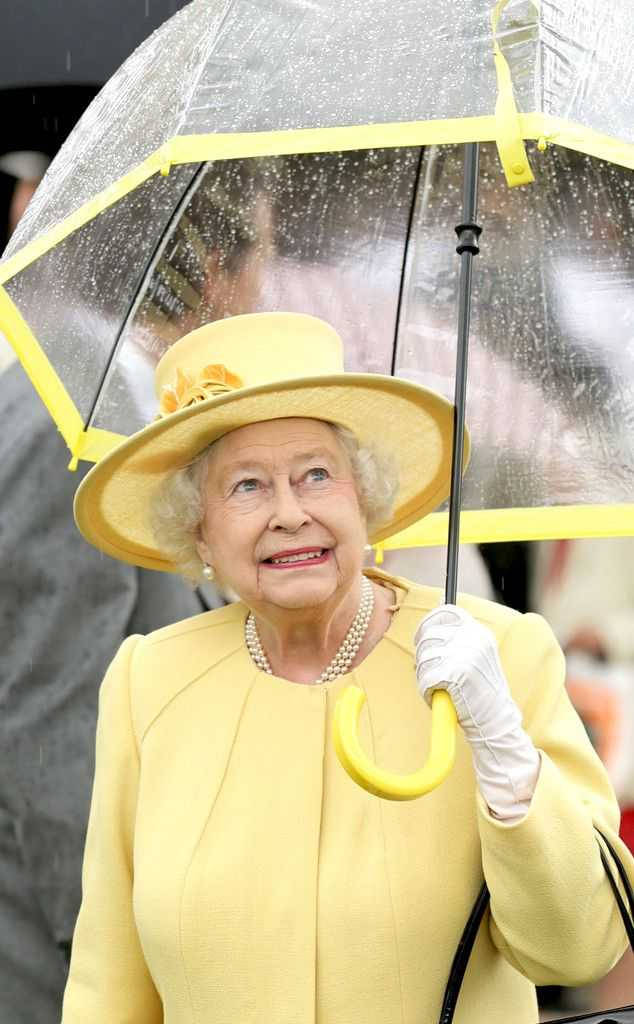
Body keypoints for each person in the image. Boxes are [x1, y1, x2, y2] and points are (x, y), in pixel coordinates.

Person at [62, 312, 632, 1024]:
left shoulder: (496, 654)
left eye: (317, 475)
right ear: (198, 531)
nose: (290, 513)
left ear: (365, 499)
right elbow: (108, 985)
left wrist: (506, 753)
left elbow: (579, 950)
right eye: (246, 486)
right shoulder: (149, 681)